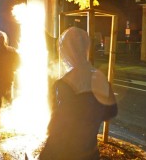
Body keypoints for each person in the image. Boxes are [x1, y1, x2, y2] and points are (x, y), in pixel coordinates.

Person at [39, 27, 118, 160]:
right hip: (91, 152)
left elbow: (59, 126)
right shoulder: (100, 78)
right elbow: (111, 111)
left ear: (66, 51)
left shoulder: (64, 84)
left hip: (67, 153)